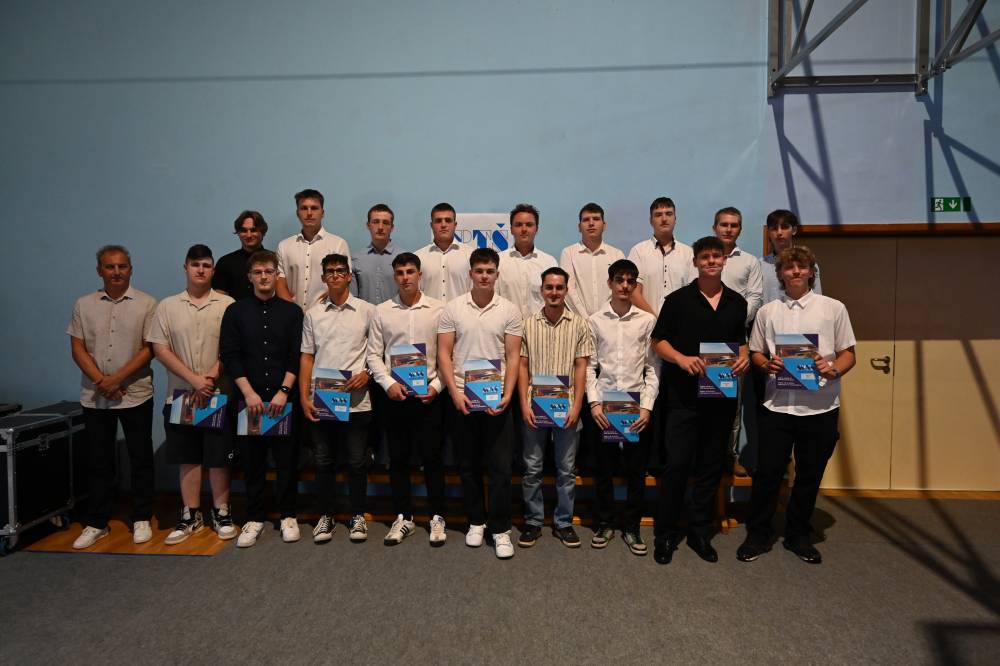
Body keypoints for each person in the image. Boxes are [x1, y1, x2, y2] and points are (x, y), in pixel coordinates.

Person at [738, 245, 855, 565]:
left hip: (820, 408)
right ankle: (758, 534)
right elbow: (756, 352)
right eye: (789, 267)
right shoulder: (768, 312)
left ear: (811, 272)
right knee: (768, 473)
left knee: (808, 475)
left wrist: (833, 369)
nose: (796, 272)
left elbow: (848, 354)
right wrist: (767, 364)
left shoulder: (833, 308)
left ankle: (798, 535)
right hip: (777, 406)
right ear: (780, 274)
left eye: (802, 267)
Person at [650, 236, 749, 565]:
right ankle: (665, 533)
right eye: (704, 257)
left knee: (710, 467)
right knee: (677, 465)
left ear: (724, 260)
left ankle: (699, 533)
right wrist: (680, 358)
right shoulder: (677, 300)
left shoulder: (737, 302)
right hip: (683, 398)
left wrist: (744, 357)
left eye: (716, 256)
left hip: (721, 399)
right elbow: (658, 341)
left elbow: (740, 342)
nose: (711, 261)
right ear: (695, 262)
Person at [147, 245, 237, 545]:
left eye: (206, 265)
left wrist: (209, 377)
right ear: (185, 267)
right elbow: (160, 349)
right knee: (188, 458)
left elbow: (231, 349)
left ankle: (221, 512)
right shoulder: (167, 306)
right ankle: (191, 515)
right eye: (195, 264)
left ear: (213, 270)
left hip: (216, 394)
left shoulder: (227, 304)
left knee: (218, 458)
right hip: (181, 396)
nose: (201, 270)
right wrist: (193, 380)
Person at [69, 245, 158, 549]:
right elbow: (78, 347)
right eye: (110, 267)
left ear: (131, 269)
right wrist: (101, 381)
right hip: (95, 396)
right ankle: (97, 522)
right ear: (100, 271)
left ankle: (142, 516)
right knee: (99, 460)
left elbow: (149, 348)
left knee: (140, 457)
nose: (117, 272)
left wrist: (117, 379)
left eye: (122, 266)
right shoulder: (84, 304)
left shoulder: (147, 303)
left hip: (135, 393)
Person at [437, 248, 522, 559]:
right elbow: (444, 353)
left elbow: (513, 356)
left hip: (497, 399)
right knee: (468, 464)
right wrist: (454, 392)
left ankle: (500, 529)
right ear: (470, 273)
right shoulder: (453, 308)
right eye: (479, 271)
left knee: (500, 467)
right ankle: (476, 521)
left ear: (497, 275)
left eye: (490, 271)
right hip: (462, 397)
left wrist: (508, 394)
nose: (484, 276)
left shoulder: (509, 310)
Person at [219, 250, 304, 548]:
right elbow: (230, 355)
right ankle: (254, 517)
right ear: (250, 277)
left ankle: (288, 515)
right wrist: (248, 392)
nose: (264, 277)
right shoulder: (235, 312)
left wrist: (284, 392)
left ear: (276, 274)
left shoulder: (293, 313)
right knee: (252, 463)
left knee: (286, 463)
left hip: (284, 400)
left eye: (269, 271)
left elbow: (297, 355)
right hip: (249, 401)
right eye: (258, 272)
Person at [366, 252, 448, 546]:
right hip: (395, 397)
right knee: (398, 459)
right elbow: (373, 355)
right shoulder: (382, 311)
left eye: (410, 272)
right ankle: (404, 517)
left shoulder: (439, 310)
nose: (405, 277)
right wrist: (388, 384)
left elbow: (448, 355)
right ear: (395, 277)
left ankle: (437, 516)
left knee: (432, 458)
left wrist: (437, 387)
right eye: (400, 273)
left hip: (429, 396)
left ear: (419, 275)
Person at [300, 253, 375, 543]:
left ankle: (357, 515)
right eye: (329, 271)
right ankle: (326, 516)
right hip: (322, 399)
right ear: (323, 277)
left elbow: (378, 351)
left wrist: (367, 373)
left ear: (349, 276)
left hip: (357, 399)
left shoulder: (367, 311)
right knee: (323, 461)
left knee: (356, 461)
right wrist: (304, 396)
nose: (335, 275)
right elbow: (307, 357)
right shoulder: (313, 314)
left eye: (340, 270)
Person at [586, 259, 660, 555]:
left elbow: (653, 368)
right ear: (610, 283)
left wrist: (647, 407)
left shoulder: (646, 321)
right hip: (603, 406)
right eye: (620, 280)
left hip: (636, 405)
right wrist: (594, 404)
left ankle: (631, 527)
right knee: (602, 469)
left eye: (630, 281)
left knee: (636, 470)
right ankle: (605, 522)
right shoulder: (595, 320)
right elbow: (590, 367)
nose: (625, 286)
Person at [516, 267, 593, 549]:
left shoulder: (579, 324)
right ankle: (533, 521)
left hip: (567, 408)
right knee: (532, 468)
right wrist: (524, 404)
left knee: (566, 470)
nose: (554, 292)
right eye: (549, 287)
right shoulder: (527, 324)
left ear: (566, 290)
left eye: (559, 287)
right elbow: (522, 365)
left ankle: (563, 522)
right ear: (542, 290)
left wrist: (578, 405)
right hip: (534, 407)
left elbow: (581, 366)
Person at [714, 206, 764, 477]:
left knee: (731, 404)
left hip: (736, 341)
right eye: (724, 224)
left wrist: (733, 320)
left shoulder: (749, 261)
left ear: (740, 230)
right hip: (703, 343)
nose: (728, 229)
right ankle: (704, 456)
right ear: (715, 228)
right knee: (703, 402)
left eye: (734, 225)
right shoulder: (704, 256)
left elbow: (755, 296)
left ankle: (728, 455)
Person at [276, 189, 352, 310]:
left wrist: (319, 311)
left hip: (327, 314)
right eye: (304, 208)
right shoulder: (284, 246)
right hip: (292, 315)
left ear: (322, 213)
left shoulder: (338, 244)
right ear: (297, 213)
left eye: (314, 208)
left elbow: (344, 280)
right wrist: (293, 312)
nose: (309, 213)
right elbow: (280, 283)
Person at [627, 197, 696, 317]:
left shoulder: (688, 253)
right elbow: (633, 292)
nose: (664, 219)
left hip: (680, 324)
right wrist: (655, 321)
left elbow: (693, 294)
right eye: (658, 215)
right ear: (651, 221)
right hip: (646, 324)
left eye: (669, 214)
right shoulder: (638, 251)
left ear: (675, 219)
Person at [560, 202, 625, 320]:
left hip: (610, 321)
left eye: (596, 219)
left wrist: (601, 319)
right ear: (579, 227)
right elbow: (568, 290)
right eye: (586, 220)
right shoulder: (568, 253)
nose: (591, 223)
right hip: (578, 322)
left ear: (604, 225)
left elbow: (619, 289)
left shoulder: (617, 255)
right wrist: (586, 320)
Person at [497, 203, 558, 319]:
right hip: (507, 327)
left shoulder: (549, 263)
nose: (524, 229)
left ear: (536, 229)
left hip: (540, 328)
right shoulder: (499, 261)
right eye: (518, 225)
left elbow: (554, 301)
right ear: (511, 229)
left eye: (529, 225)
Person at [761, 209, 823, 305]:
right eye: (774, 228)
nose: (779, 232)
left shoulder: (807, 262)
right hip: (768, 314)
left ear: (794, 230)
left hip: (802, 313)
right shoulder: (760, 265)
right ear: (769, 232)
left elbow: (816, 296)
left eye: (784, 227)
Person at [415, 202, 472, 302]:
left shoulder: (470, 255)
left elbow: (475, 292)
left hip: (461, 312)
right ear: (431, 225)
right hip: (429, 312)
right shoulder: (418, 257)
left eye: (448, 220)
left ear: (455, 225)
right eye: (438, 221)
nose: (443, 225)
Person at [213, 211, 270, 300]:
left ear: (263, 232)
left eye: (253, 230)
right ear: (238, 233)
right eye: (244, 231)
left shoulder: (274, 260)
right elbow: (219, 301)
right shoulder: (225, 262)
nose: (249, 235)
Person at [350, 203, 399, 305]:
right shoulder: (356, 259)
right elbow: (352, 298)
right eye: (375, 222)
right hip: (364, 314)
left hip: (396, 314)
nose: (380, 227)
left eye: (386, 223)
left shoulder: (403, 258)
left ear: (392, 227)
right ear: (368, 225)